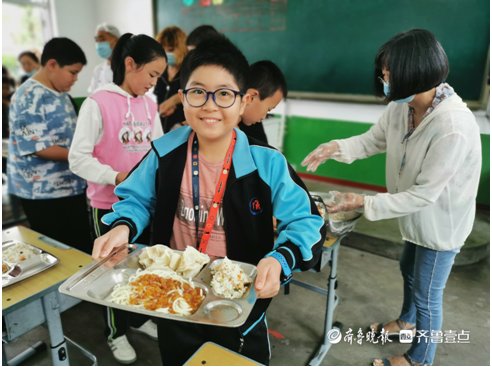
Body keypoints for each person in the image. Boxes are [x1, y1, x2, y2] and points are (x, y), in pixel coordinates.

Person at [92, 35, 326, 365]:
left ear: (244, 101)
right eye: (198, 92)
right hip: (175, 298)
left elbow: (306, 221)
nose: (210, 105)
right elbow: (137, 198)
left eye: (225, 94)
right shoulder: (165, 152)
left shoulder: (267, 163)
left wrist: (280, 258)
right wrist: (123, 227)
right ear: (183, 98)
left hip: (239, 305)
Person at [302, 29, 481, 366]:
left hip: (441, 224)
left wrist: (362, 202)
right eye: (383, 71)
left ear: (415, 71)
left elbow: (425, 195)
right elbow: (372, 140)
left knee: (428, 295)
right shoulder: (405, 107)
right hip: (413, 215)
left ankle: (419, 359)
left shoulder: (452, 126)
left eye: (389, 72)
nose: (384, 79)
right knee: (407, 268)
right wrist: (335, 148)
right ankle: (406, 322)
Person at [69, 33, 166, 364]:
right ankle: (116, 332)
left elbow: (157, 152)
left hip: (144, 206)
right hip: (108, 208)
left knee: (142, 266)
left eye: (158, 77)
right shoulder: (97, 103)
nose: (154, 83)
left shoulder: (149, 105)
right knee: (112, 273)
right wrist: (116, 177)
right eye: (151, 74)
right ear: (129, 64)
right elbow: (77, 158)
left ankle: (138, 317)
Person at [7, 38, 92, 253]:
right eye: (72, 72)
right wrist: (85, 156)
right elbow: (38, 147)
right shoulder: (28, 97)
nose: (75, 79)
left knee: (79, 247)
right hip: (43, 193)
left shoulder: (61, 93)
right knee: (57, 251)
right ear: (52, 65)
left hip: (69, 185)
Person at [239, 60, 287, 143]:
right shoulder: (219, 126)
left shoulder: (254, 126)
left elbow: (265, 152)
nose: (264, 117)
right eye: (268, 109)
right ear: (251, 97)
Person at [154, 26, 188, 132]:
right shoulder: (159, 73)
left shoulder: (189, 73)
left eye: (170, 50)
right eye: (162, 50)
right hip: (161, 132)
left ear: (181, 48)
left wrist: (173, 101)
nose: (166, 54)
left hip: (183, 133)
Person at [87, 22, 120, 94]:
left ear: (117, 41)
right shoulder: (98, 70)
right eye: (97, 40)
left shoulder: (128, 68)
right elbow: (92, 96)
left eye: (102, 39)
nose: (99, 44)